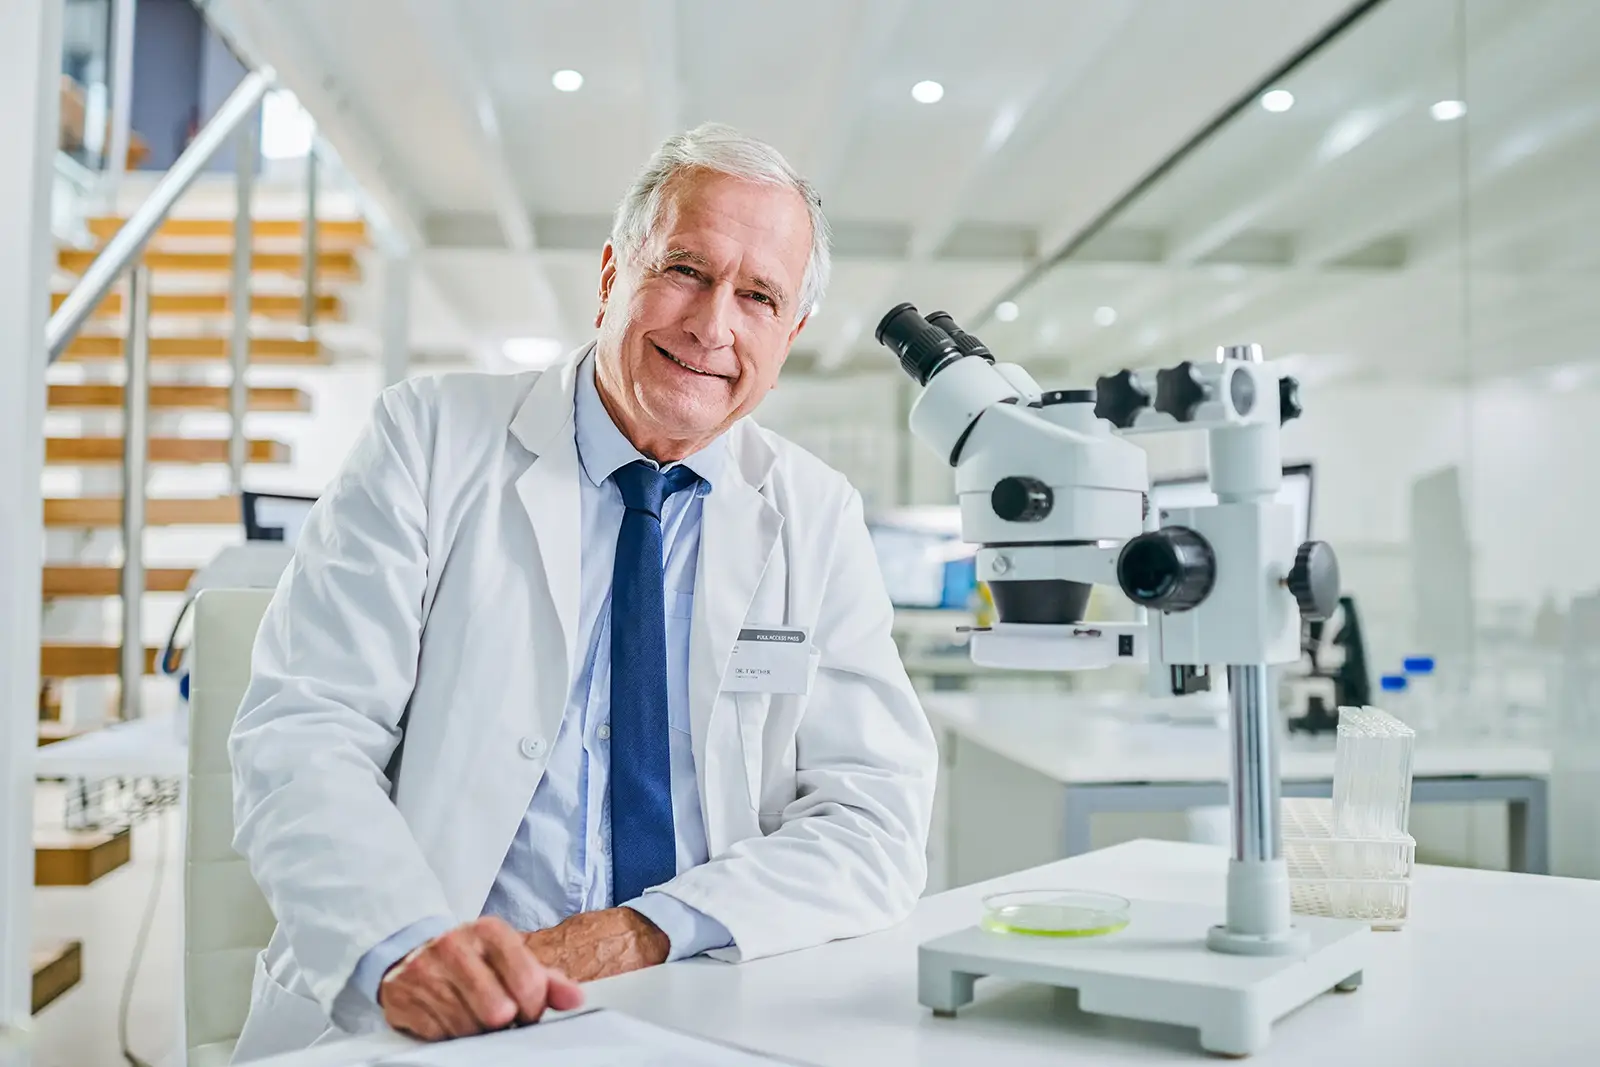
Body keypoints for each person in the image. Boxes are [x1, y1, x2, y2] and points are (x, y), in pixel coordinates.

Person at [228, 122, 938, 1061]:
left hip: (700, 998)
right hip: (436, 1008)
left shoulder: (815, 513)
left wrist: (638, 932)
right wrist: (403, 949)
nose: (712, 324)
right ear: (612, 273)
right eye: (685, 269)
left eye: (758, 296)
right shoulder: (428, 438)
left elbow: (873, 820)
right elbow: (305, 731)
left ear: (790, 334)